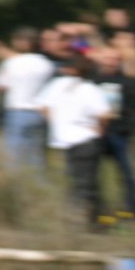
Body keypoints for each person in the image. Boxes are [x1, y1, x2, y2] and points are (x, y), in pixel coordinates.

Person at [34, 53, 112, 227]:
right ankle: (85, 222)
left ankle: (71, 219)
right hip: (85, 139)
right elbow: (105, 114)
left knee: (66, 182)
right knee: (86, 184)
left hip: (60, 142)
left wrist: (56, 123)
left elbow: (42, 107)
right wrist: (100, 129)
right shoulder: (90, 89)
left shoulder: (56, 85)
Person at [0, 27, 54, 174]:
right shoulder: (47, 64)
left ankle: (14, 183)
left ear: (24, 43)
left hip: (17, 112)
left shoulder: (13, 63)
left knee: (13, 154)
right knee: (36, 154)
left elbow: (0, 86)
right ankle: (38, 183)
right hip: (39, 114)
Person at [90, 44, 135, 217]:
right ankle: (97, 210)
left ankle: (130, 210)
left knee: (127, 174)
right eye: (107, 58)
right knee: (94, 174)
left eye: (114, 59)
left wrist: (128, 129)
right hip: (96, 135)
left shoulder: (129, 82)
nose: (110, 62)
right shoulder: (92, 81)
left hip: (120, 135)